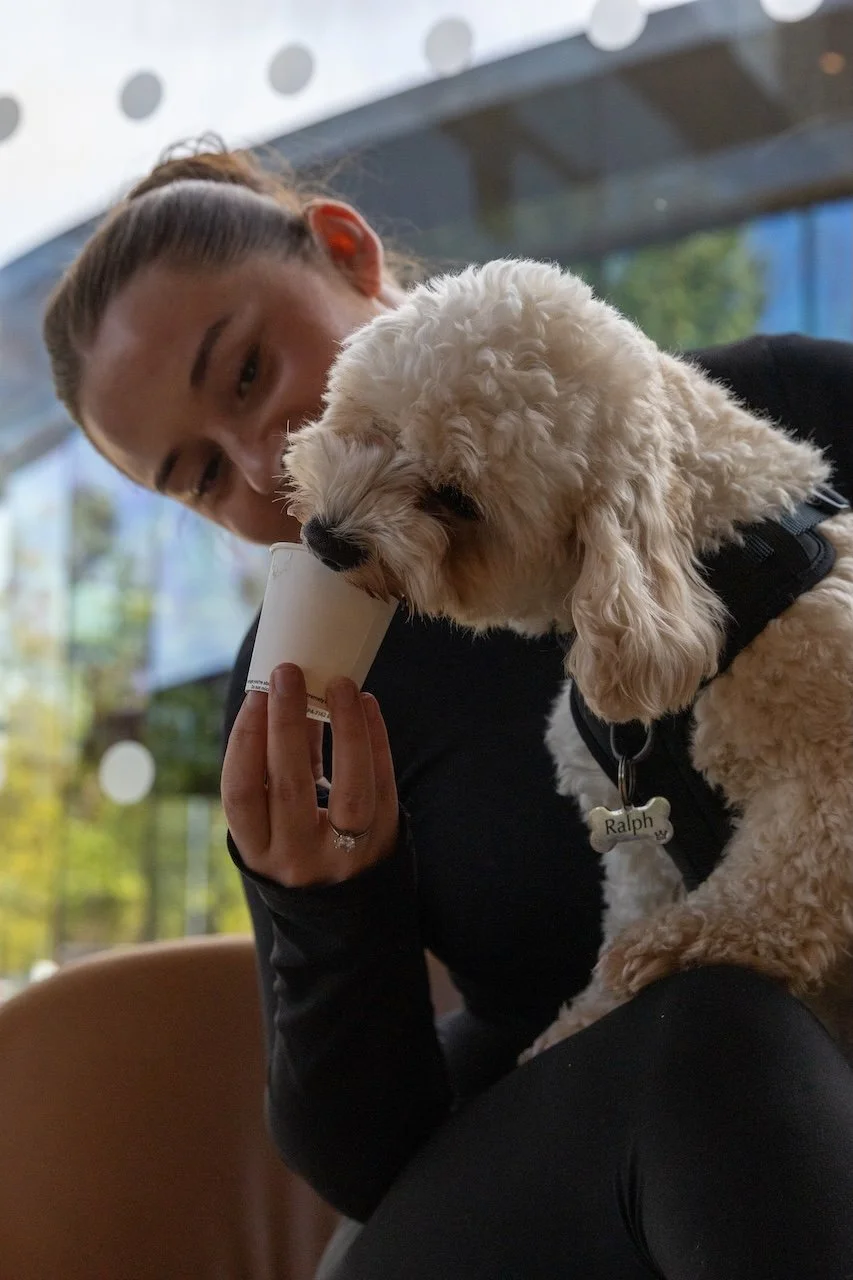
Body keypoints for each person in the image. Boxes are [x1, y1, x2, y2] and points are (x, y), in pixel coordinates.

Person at [43, 141, 853, 1279]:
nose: (263, 467)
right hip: (556, 1173)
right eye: (200, 477)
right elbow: (365, 1159)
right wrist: (327, 908)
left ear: (347, 248)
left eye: (247, 376)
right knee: (712, 1022)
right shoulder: (299, 694)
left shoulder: (788, 416)